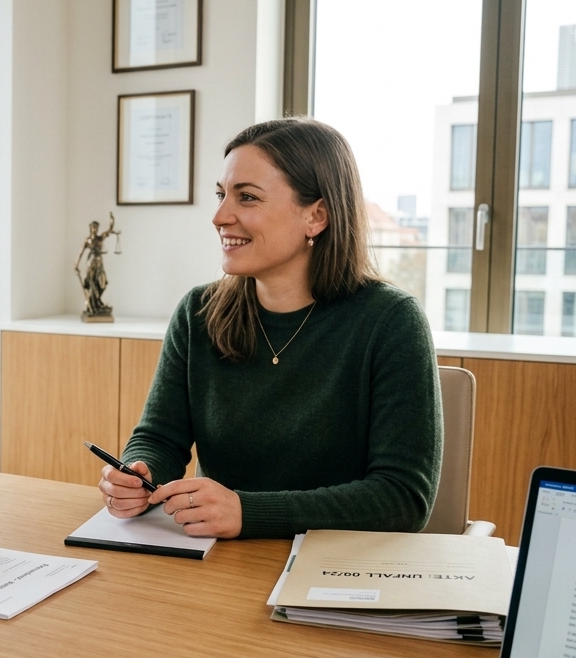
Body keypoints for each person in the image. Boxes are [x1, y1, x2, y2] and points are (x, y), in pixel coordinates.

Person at [98, 118, 441, 539]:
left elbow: (402, 498)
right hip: (217, 558)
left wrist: (249, 512)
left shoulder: (391, 321)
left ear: (316, 216)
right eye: (222, 195)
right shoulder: (198, 312)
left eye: (247, 197)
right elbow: (160, 438)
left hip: (333, 565)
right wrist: (138, 474)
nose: (219, 216)